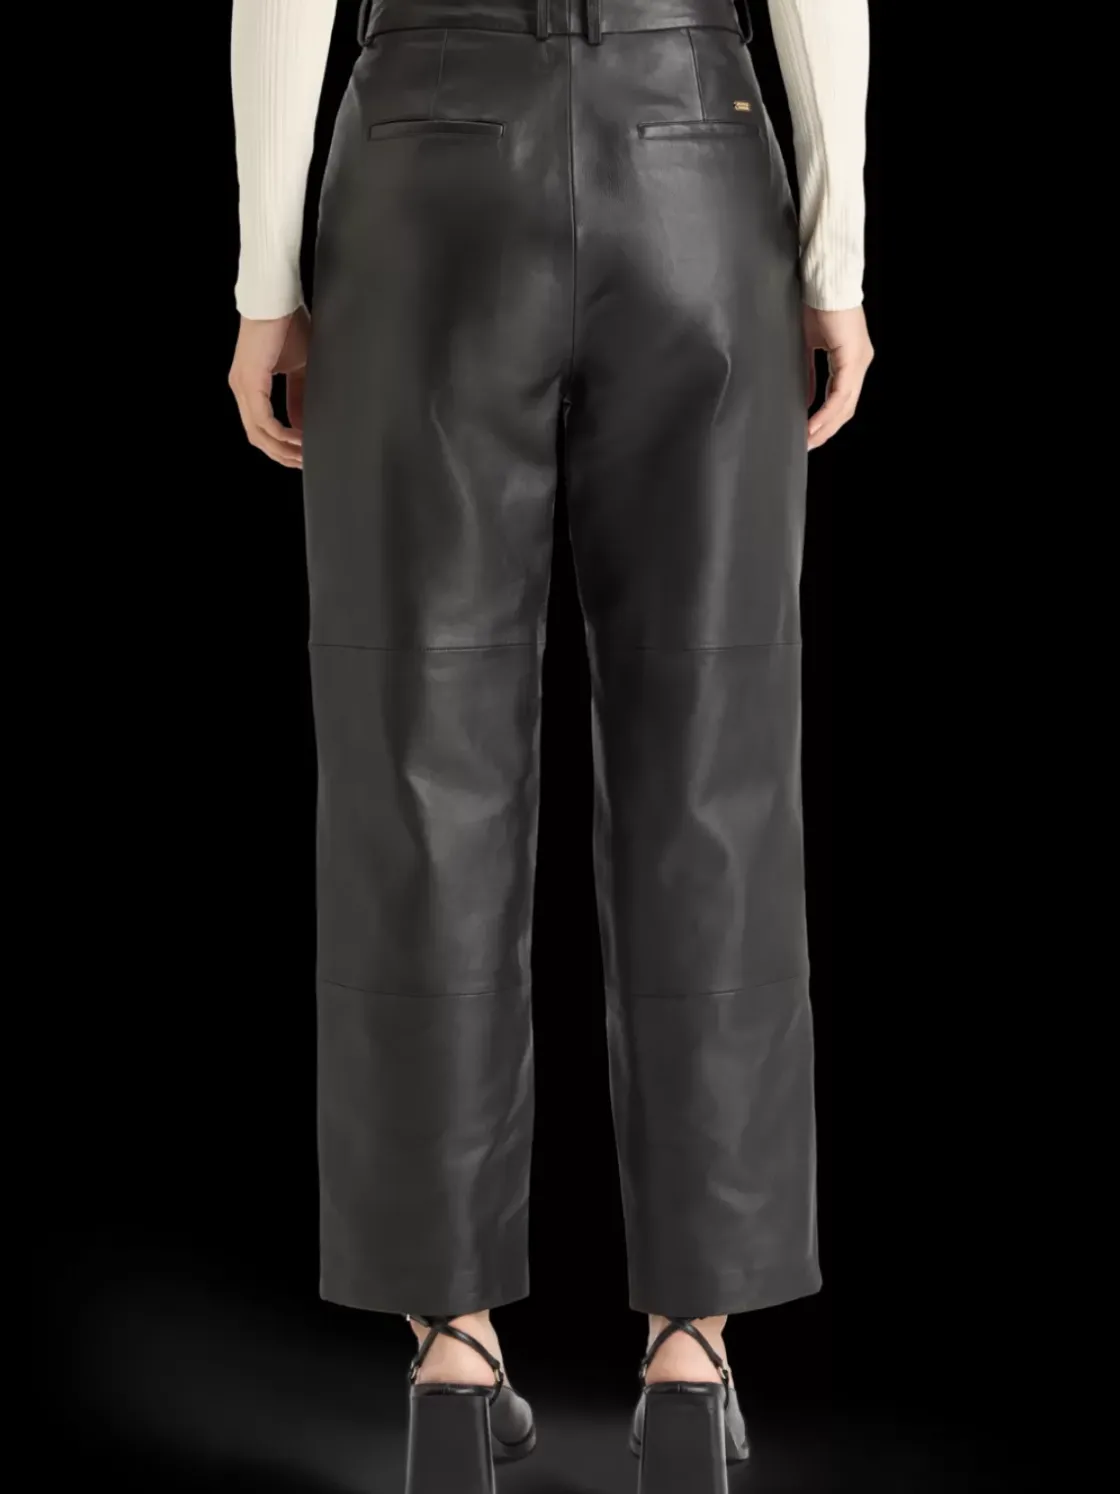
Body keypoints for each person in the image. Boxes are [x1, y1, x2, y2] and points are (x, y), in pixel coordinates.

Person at [228, 2, 871, 1489]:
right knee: (714, 763)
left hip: (424, 159)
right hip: (693, 138)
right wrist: (834, 265)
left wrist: (267, 276)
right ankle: (692, 1354)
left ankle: (450, 1351)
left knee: (416, 760)